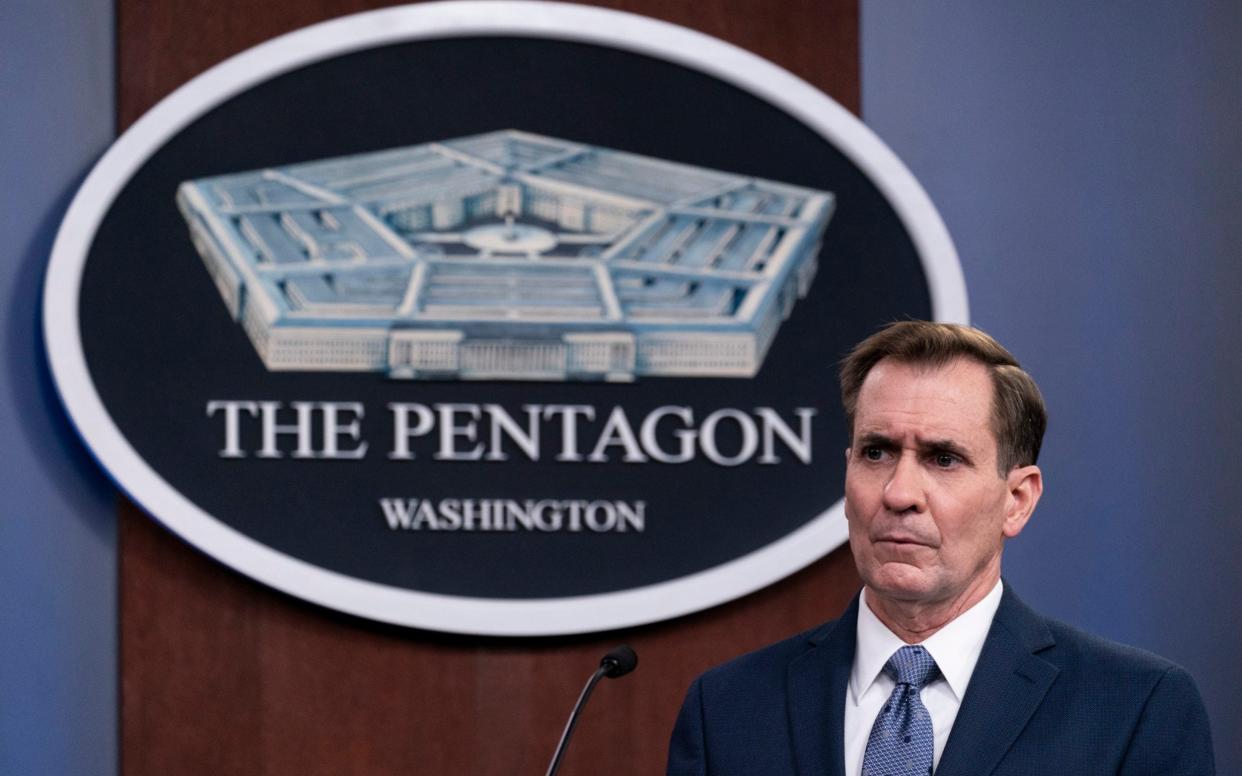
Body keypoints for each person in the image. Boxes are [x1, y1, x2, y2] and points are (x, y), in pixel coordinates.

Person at [667, 321, 1214, 776]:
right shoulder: (728, 709)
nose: (899, 493)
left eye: (943, 459)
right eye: (876, 453)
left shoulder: (1134, 708)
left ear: (1017, 500)